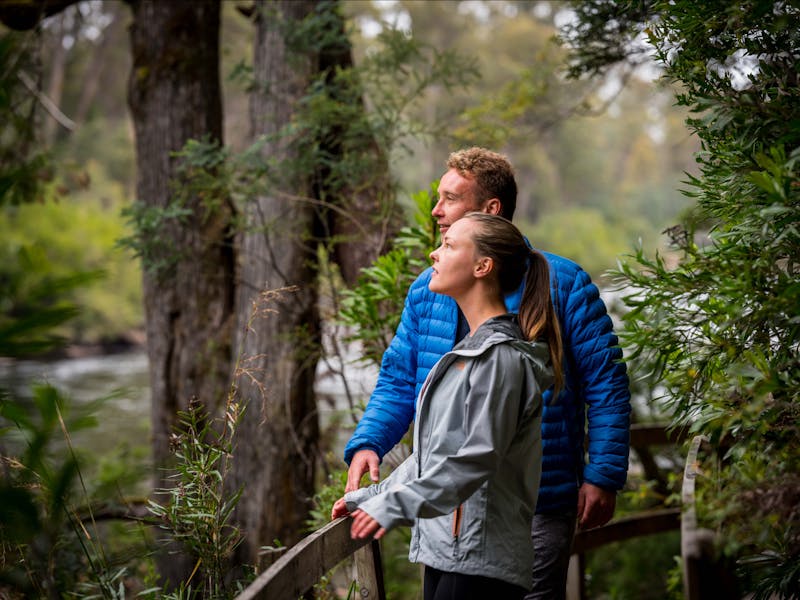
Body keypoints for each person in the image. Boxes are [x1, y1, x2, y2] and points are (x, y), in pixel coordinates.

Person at [343, 147, 631, 599]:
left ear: (490, 209)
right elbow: (400, 377)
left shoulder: (564, 285)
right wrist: (370, 441)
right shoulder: (428, 289)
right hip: (445, 510)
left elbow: (606, 384)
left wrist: (604, 473)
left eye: (450, 199)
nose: (436, 210)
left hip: (538, 500)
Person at [333, 212, 562, 599]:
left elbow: (476, 458)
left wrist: (393, 508)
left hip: (479, 563)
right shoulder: (468, 353)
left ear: (482, 266)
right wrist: (373, 497)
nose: (434, 254)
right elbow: (434, 454)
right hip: (449, 554)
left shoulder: (499, 360)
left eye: (449, 245)